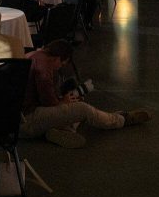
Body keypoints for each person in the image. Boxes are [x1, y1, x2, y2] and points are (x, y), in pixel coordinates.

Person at [20, 40, 151, 148]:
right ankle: (122, 119)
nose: (59, 67)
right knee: (83, 109)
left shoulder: (34, 55)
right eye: (62, 64)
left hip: (23, 116)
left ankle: (59, 129)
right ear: (58, 58)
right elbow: (49, 102)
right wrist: (63, 101)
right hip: (28, 119)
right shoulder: (44, 67)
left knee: (75, 103)